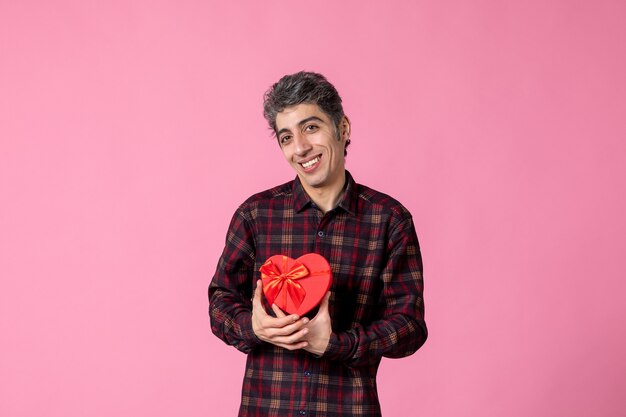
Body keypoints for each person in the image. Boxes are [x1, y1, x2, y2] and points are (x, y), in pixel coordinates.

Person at [209, 71, 427, 417]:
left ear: (342, 129)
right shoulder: (255, 215)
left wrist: (337, 343)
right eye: (286, 137)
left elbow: (410, 326)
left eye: (311, 128)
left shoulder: (389, 220)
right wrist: (254, 326)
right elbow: (219, 302)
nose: (300, 148)